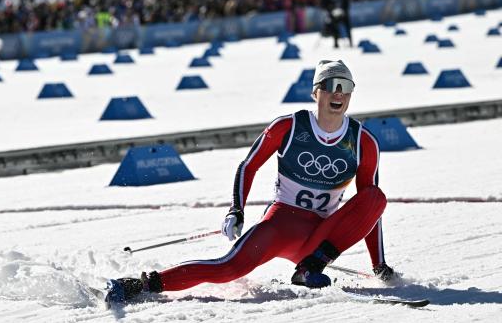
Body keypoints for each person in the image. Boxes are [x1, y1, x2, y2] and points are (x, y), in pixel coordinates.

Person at [106, 60, 396, 302]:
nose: (339, 94)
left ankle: (309, 268)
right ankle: (141, 285)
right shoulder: (289, 126)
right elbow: (249, 166)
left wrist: (379, 265)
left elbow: (369, 211)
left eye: (347, 88)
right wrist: (237, 210)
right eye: (332, 85)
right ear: (316, 92)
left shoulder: (362, 141)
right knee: (227, 268)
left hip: (321, 236)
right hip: (281, 224)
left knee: (376, 196)